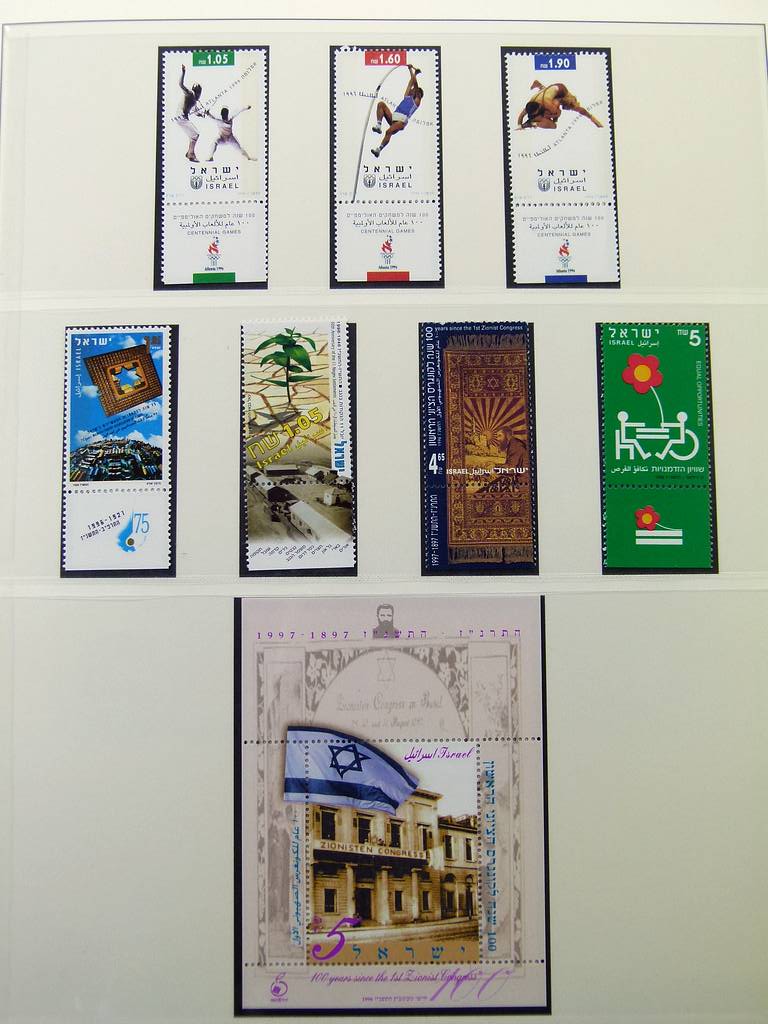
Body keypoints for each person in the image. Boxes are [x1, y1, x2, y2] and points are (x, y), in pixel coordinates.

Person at [370, 64, 423, 157]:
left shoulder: (416, 102)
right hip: (393, 117)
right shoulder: (407, 96)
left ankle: (379, 149)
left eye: (413, 89)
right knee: (381, 104)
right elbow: (410, 83)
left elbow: (414, 84)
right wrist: (410, 70)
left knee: (388, 131)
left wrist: (415, 73)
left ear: (416, 92)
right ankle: (378, 125)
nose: (411, 89)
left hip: (400, 122)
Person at [517, 79, 603, 130]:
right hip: (548, 90)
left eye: (537, 113)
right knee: (547, 94)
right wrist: (519, 125)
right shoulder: (530, 104)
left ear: (539, 107)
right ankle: (539, 85)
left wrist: (552, 118)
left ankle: (593, 119)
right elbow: (521, 115)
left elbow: (558, 113)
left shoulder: (548, 104)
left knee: (574, 107)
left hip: (561, 91)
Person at [174, 63, 205, 161]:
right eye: (199, 92)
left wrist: (202, 114)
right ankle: (190, 154)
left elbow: (195, 112)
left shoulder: (194, 100)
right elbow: (181, 84)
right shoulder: (190, 93)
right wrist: (183, 72)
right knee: (195, 134)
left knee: (193, 135)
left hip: (182, 119)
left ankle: (190, 153)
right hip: (181, 118)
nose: (199, 94)